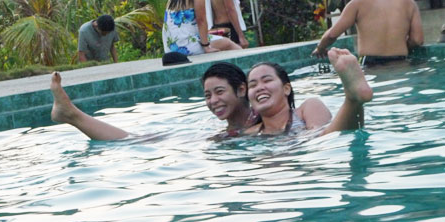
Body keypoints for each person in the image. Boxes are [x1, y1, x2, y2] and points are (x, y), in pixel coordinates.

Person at [50, 62, 258, 140]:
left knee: (137, 140)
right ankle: (72, 115)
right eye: (207, 95)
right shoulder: (227, 132)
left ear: (241, 89)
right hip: (210, 134)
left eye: (219, 92)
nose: (213, 101)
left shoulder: (262, 119)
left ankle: (72, 115)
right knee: (139, 139)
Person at [244, 48, 373, 136]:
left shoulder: (308, 108)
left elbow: (322, 139)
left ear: (286, 89)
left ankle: (352, 98)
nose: (260, 87)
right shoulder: (252, 133)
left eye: (267, 80)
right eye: (253, 85)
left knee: (322, 139)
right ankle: (354, 97)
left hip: (318, 150)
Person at [312, 0, 424, 66]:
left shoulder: (358, 3)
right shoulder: (410, 3)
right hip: (401, 62)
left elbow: (332, 34)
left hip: (371, 64)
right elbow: (417, 40)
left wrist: (320, 48)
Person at [162, 0, 241, 56]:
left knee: (221, 40)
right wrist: (206, 46)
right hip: (185, 46)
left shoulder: (171, 1)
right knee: (228, 43)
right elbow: (201, 20)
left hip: (171, 48)